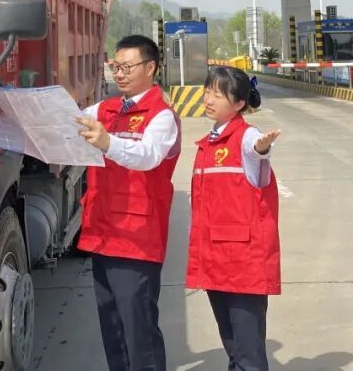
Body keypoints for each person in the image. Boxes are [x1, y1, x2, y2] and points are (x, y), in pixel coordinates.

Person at [74, 35, 181, 371]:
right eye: (115, 67)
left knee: (138, 329)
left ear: (151, 68)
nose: (119, 74)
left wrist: (108, 142)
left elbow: (147, 156)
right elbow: (68, 120)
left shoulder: (161, 116)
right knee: (112, 325)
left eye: (127, 67)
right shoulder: (104, 109)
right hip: (102, 230)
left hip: (136, 238)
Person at [186, 66, 282, 371]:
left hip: (243, 262)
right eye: (207, 92)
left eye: (218, 94)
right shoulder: (209, 142)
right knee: (232, 343)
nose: (208, 99)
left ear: (239, 103)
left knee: (247, 349)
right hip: (216, 258)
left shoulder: (246, 136)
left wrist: (262, 148)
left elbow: (255, 151)